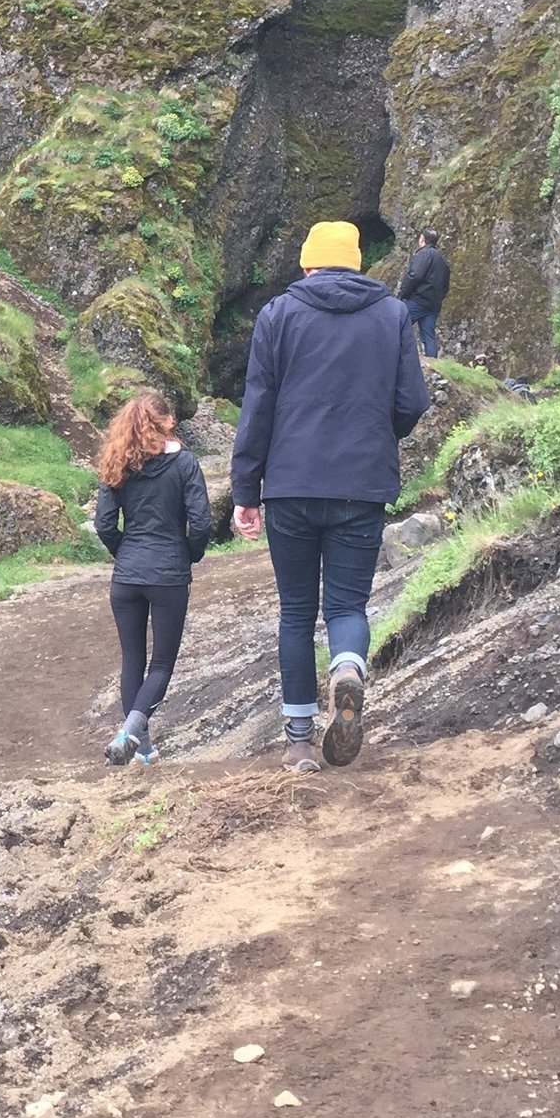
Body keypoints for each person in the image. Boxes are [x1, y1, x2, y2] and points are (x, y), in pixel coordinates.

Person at [230, 220, 430, 773]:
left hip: (290, 485)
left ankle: (298, 743)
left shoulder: (278, 315)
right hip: (361, 486)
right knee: (347, 605)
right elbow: (412, 401)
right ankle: (347, 668)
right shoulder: (392, 315)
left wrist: (246, 490)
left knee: (296, 612)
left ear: (307, 264)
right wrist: (374, 431)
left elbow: (258, 410)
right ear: (358, 263)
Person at [92, 392, 213, 767]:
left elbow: (104, 524)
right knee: (161, 665)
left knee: (132, 659)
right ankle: (130, 736)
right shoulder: (185, 465)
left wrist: (123, 552)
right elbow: (202, 522)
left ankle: (141, 751)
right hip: (168, 575)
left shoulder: (116, 464)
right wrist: (188, 554)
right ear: (168, 422)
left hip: (126, 577)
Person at [395, 227, 450, 360]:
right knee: (428, 336)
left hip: (417, 300)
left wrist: (403, 293)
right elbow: (446, 285)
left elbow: (415, 275)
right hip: (433, 304)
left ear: (422, 239)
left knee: (396, 326)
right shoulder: (442, 260)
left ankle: (392, 356)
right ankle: (433, 364)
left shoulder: (424, 254)